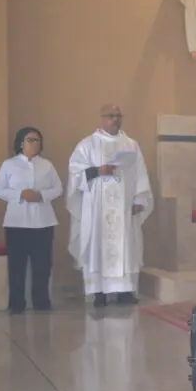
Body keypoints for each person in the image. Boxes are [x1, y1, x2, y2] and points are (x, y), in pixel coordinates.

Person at [67, 105, 154, 307]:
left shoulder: (131, 145)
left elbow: (140, 173)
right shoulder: (87, 145)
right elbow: (75, 174)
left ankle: (125, 290)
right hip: (97, 208)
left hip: (124, 206)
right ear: (102, 118)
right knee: (97, 244)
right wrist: (98, 171)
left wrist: (139, 200)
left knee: (126, 245)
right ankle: (98, 291)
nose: (115, 119)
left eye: (118, 116)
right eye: (111, 116)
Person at [0, 127, 62, 312]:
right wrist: (20, 194)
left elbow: (58, 188)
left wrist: (41, 195)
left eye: (37, 140)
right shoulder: (10, 164)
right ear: (21, 143)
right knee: (17, 264)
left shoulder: (46, 165)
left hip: (43, 222)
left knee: (42, 264)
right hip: (17, 223)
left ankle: (41, 301)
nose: (34, 144)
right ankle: (17, 303)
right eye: (30, 140)